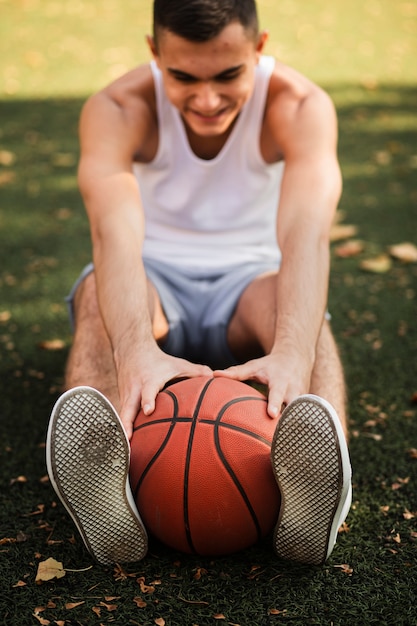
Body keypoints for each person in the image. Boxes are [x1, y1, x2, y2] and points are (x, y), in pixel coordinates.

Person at [46, 0, 352, 567]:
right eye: (183, 76)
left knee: (303, 316)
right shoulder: (117, 107)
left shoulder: (301, 105)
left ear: (258, 50)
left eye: (228, 75)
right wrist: (134, 348)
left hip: (250, 279)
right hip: (152, 276)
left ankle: (313, 486)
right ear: (154, 52)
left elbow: (306, 238)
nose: (206, 100)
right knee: (96, 296)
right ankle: (107, 485)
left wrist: (292, 350)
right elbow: (113, 236)